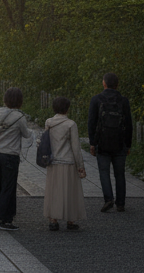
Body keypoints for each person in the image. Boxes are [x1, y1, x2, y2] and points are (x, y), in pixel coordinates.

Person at [88, 72, 134, 212]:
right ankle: (121, 203)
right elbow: (129, 124)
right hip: (120, 142)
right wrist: (128, 144)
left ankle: (109, 199)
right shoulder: (123, 101)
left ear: (104, 84)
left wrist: (92, 143)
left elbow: (92, 123)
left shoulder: (96, 100)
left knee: (104, 171)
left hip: (102, 142)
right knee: (119, 173)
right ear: (117, 85)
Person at [0, 87, 32, 231]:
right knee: (8, 187)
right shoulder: (19, 117)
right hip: (9, 155)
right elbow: (26, 134)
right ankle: (4, 219)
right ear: (19, 101)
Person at [43, 96, 87, 231]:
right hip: (68, 162)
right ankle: (71, 220)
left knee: (54, 190)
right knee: (70, 191)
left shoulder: (49, 122)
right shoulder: (71, 124)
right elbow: (75, 147)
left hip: (53, 161)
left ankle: (53, 220)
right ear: (67, 108)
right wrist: (80, 166)